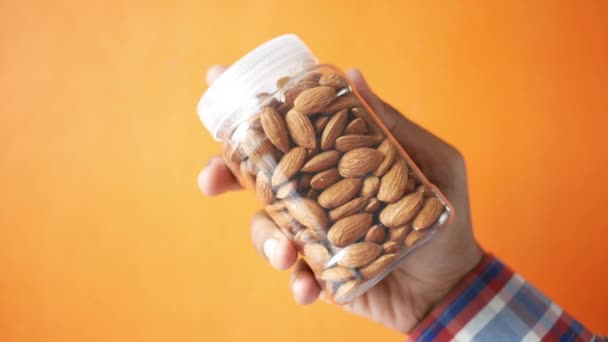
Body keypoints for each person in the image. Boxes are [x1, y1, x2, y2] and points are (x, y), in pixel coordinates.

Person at [198, 65, 605, 341]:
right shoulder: (248, 143)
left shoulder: (322, 88)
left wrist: (449, 289)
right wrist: (450, 290)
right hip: (402, 271)